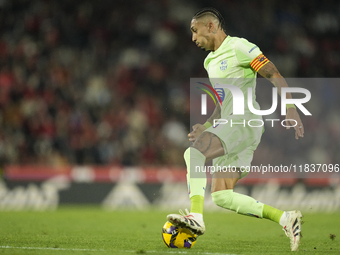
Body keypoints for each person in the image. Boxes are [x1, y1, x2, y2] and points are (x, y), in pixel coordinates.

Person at [167, 7, 304, 252]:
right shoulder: (209, 61)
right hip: (230, 124)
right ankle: (286, 218)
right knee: (221, 195)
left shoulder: (240, 47)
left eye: (195, 31)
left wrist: (291, 107)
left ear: (211, 26)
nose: (193, 38)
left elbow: (273, 73)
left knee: (193, 154)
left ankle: (195, 217)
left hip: (243, 121)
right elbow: (223, 102)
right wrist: (207, 126)